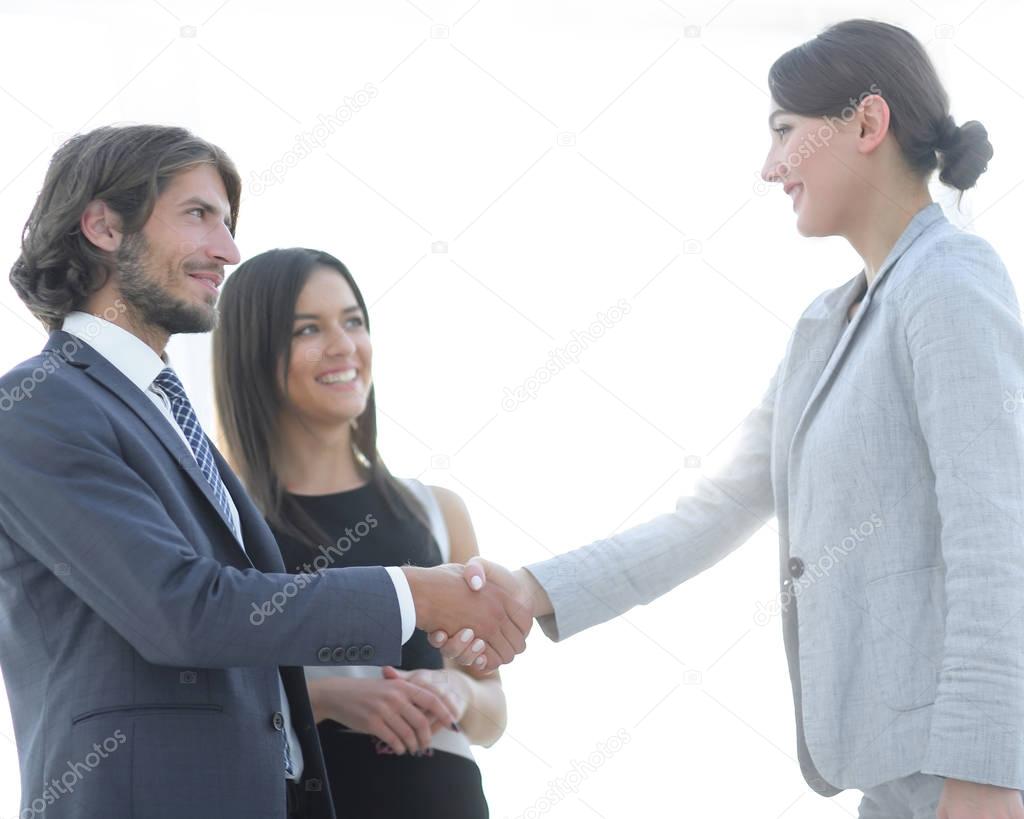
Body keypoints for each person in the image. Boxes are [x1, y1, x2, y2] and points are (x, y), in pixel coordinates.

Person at [435, 19, 1024, 819]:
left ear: (867, 123)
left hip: (964, 780)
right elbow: (709, 515)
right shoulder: (823, 327)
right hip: (891, 785)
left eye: (785, 131)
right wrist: (530, 589)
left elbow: (997, 538)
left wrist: (988, 778)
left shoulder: (952, 278)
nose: (771, 166)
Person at [0, 125, 530, 819]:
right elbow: (185, 611)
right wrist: (416, 596)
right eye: (199, 215)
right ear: (103, 226)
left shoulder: (161, 414)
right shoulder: (37, 408)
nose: (227, 249)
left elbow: (241, 639)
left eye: (227, 222)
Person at [211, 247, 505, 818]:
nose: (344, 345)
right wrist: (328, 699)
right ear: (255, 353)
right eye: (308, 330)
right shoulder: (226, 522)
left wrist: (459, 692)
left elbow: (494, 716)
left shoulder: (438, 512)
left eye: (353, 321)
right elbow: (203, 701)